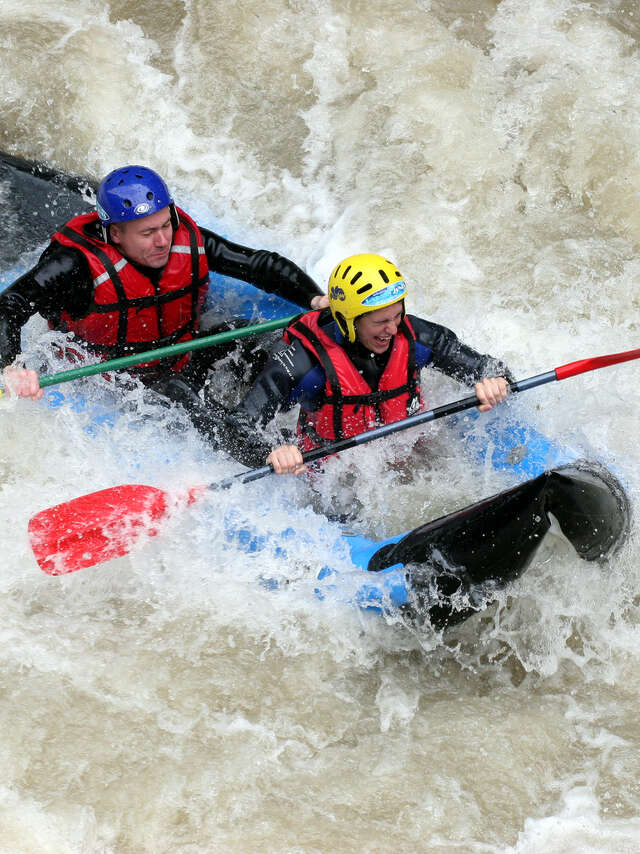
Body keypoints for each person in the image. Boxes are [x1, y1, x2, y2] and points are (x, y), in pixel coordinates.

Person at [0, 164, 328, 433]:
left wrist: (315, 300)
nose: (162, 241)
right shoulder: (74, 266)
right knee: (199, 412)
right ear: (116, 234)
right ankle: (259, 449)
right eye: (147, 233)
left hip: (183, 354)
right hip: (120, 380)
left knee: (278, 342)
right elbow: (8, 307)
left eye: (164, 226)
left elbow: (260, 266)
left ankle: (314, 423)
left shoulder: (184, 239)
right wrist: (11, 367)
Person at [216, 253, 511, 474]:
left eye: (397, 316)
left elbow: (489, 367)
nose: (393, 329)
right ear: (347, 320)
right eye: (380, 322)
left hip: (409, 450)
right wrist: (271, 453)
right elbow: (236, 428)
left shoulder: (416, 337)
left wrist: (494, 381)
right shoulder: (306, 364)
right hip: (335, 475)